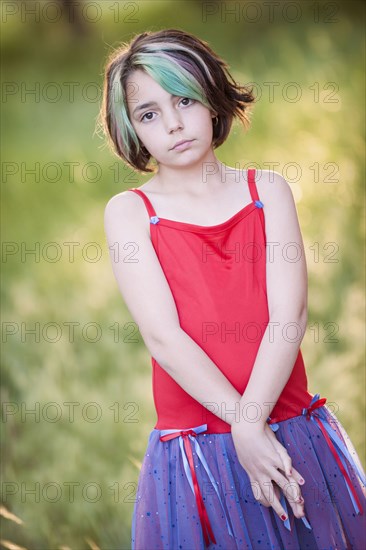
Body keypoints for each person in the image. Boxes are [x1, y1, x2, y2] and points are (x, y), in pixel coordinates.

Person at [99, 28, 366, 549]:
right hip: (198, 447)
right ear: (131, 128)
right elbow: (164, 337)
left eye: (184, 100)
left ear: (213, 97)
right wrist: (241, 425)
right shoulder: (131, 213)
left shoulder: (266, 191)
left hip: (286, 424)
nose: (173, 124)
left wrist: (251, 425)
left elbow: (290, 315)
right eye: (149, 113)